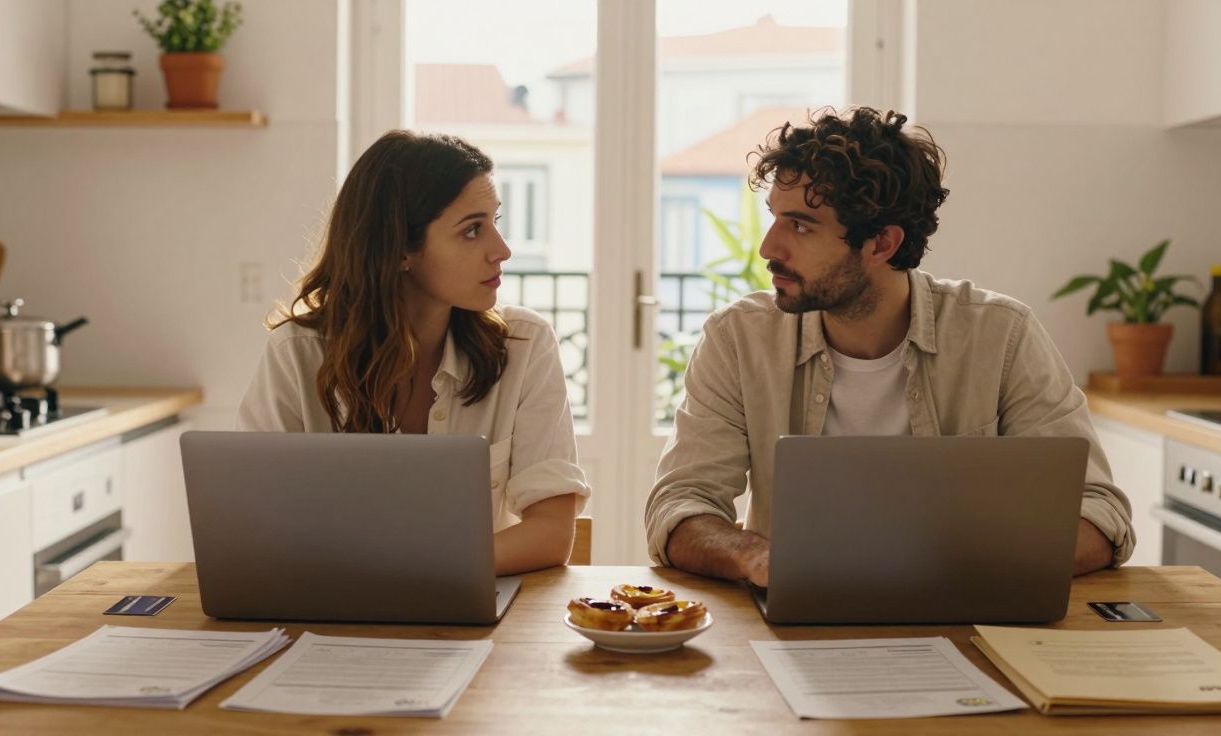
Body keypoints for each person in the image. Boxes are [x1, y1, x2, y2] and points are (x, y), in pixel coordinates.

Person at [645, 106, 1133, 586]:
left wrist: (960, 565)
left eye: (800, 226)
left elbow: (1098, 512)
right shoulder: (738, 340)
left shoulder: (1000, 336)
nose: (768, 248)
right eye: (774, 217)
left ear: (881, 244)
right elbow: (680, 504)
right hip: (791, 624)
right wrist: (757, 559)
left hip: (965, 622)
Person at [237, 130, 590, 575]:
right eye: (472, 230)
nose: (502, 250)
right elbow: (253, 525)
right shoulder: (297, 354)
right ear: (401, 249)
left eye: (495, 222)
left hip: (469, 623)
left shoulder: (524, 345)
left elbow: (552, 535)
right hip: (331, 620)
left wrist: (397, 574)